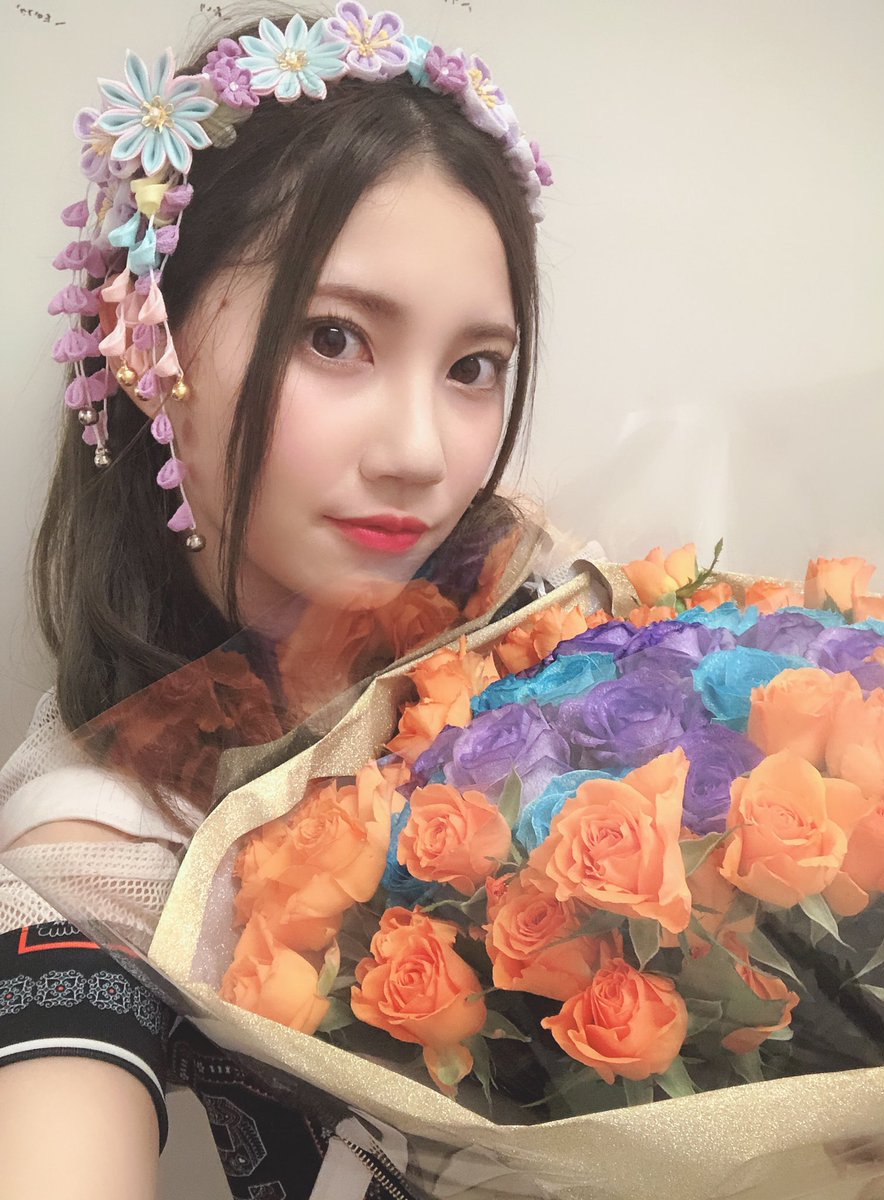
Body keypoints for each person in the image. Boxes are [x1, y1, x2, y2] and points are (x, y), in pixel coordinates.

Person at [0, 7, 589, 1198]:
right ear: (144, 343)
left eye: (472, 367)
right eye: (333, 337)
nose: (420, 454)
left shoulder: (523, 591)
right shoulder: (100, 840)